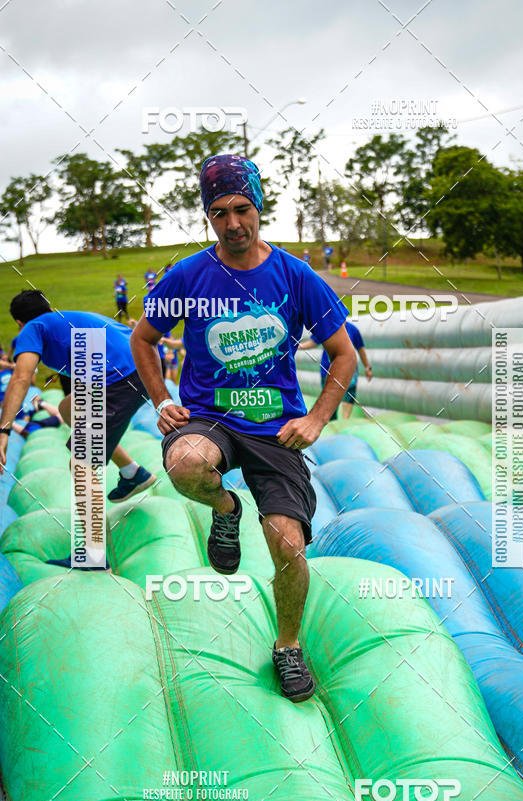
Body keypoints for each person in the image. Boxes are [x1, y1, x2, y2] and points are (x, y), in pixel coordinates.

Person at [131, 153, 356, 703]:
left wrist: (317, 417)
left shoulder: (295, 275)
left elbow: (342, 353)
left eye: (242, 209)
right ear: (208, 217)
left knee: (287, 543)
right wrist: (161, 398)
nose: (232, 223)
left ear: (259, 208)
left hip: (276, 427)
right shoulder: (188, 275)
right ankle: (226, 511)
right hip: (209, 418)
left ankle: (287, 646)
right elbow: (143, 338)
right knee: (185, 463)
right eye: (218, 213)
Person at [0, 291, 157, 567]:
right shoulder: (70, 319)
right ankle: (133, 472)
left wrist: (4, 430)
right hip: (140, 370)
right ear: (50, 306)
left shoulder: (33, 328)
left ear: (19, 322)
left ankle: (94, 554)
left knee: (80, 463)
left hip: (120, 381)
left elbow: (22, 376)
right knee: (67, 409)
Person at [299, 321, 372, 420]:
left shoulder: (352, 330)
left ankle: (345, 422)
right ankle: (333, 423)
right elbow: (313, 342)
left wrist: (367, 367)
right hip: (328, 370)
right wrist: (297, 346)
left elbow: (360, 349)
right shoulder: (327, 327)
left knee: (349, 396)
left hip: (348, 370)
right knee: (329, 402)